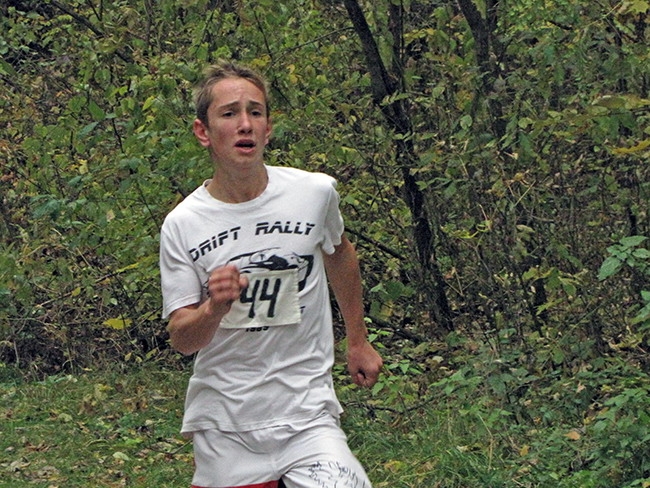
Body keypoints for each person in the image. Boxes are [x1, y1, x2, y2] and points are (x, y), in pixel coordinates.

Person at [159, 60, 383, 488]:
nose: (245, 124)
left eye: (255, 112)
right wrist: (213, 308)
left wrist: (358, 340)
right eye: (229, 114)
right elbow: (182, 339)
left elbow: (339, 254)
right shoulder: (184, 224)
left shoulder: (314, 193)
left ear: (268, 128)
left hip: (307, 415)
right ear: (203, 131)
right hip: (227, 423)